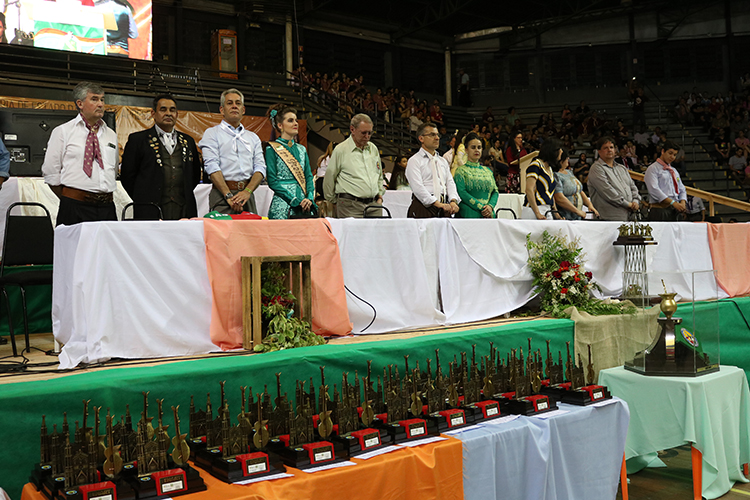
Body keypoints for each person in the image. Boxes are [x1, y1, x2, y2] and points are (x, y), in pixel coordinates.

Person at [42, 82, 118, 226]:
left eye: (102, 99)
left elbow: (113, 171)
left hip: (107, 207)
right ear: (80, 104)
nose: (100, 104)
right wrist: (71, 197)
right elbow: (51, 172)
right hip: (75, 205)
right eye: (94, 99)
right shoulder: (63, 131)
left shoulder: (111, 134)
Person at [120, 94, 201, 220]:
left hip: (183, 209)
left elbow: (194, 175)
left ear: (177, 114)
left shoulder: (188, 141)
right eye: (163, 109)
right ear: (153, 113)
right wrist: (143, 198)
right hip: (149, 210)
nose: (168, 113)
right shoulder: (138, 140)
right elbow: (127, 176)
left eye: (172, 110)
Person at [199, 89, 266, 214]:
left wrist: (247, 191)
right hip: (222, 195)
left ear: (243, 110)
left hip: (247, 195)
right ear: (222, 110)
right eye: (229, 103)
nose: (234, 106)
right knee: (222, 227)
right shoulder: (212, 134)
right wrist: (228, 195)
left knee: (250, 227)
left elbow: (260, 167)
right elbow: (212, 166)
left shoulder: (253, 137)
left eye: (238, 103)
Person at [323, 113, 385, 218]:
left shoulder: (373, 148)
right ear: (352, 129)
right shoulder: (341, 150)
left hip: (374, 205)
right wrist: (333, 200)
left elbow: (378, 174)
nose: (367, 136)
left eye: (370, 133)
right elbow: (330, 176)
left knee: (377, 230)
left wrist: (379, 195)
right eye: (363, 133)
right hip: (350, 206)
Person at [264, 104, 316, 219]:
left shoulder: (302, 149)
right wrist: (293, 200)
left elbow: (308, 177)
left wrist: (309, 198)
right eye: (290, 120)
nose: (296, 123)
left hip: (304, 204)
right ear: (280, 125)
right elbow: (272, 181)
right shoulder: (272, 149)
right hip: (283, 204)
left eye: (296, 120)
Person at [405, 123, 460, 218]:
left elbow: (450, 183)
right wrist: (436, 203)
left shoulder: (442, 161)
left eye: (437, 135)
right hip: (423, 206)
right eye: (432, 135)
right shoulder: (414, 160)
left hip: (444, 206)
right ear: (421, 138)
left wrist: (453, 201)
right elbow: (418, 187)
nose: (437, 138)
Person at [587, 137, 641, 221]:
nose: (609, 150)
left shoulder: (622, 168)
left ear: (615, 150)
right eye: (605, 148)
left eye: (611, 147)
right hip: (608, 218)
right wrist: (628, 204)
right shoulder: (596, 168)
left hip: (629, 217)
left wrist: (635, 202)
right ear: (599, 151)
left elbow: (633, 187)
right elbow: (607, 192)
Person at [453, 132, 498, 218]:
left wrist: (490, 206)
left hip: (488, 213)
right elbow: (462, 193)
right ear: (466, 150)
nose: (477, 150)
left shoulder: (488, 171)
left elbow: (495, 191)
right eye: (473, 147)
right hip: (468, 213)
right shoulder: (461, 171)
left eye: (479, 147)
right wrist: (481, 207)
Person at [643, 140, 688, 221]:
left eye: (675, 155)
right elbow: (654, 190)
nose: (672, 157)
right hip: (660, 209)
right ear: (663, 151)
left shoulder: (674, 170)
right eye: (670, 153)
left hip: (675, 209)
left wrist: (682, 202)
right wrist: (672, 202)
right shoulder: (653, 168)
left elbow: (682, 188)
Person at [524, 138, 562, 220]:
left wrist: (556, 213)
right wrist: (537, 213)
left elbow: (550, 193)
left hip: (547, 209)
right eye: (559, 149)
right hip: (534, 209)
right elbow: (529, 190)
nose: (561, 151)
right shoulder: (536, 165)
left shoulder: (550, 169)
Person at [554, 150, 598, 220]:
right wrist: (577, 211)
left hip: (577, 215)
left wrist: (589, 205)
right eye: (566, 157)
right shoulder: (555, 175)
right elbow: (559, 198)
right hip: (565, 215)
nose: (568, 159)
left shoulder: (569, 172)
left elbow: (579, 191)